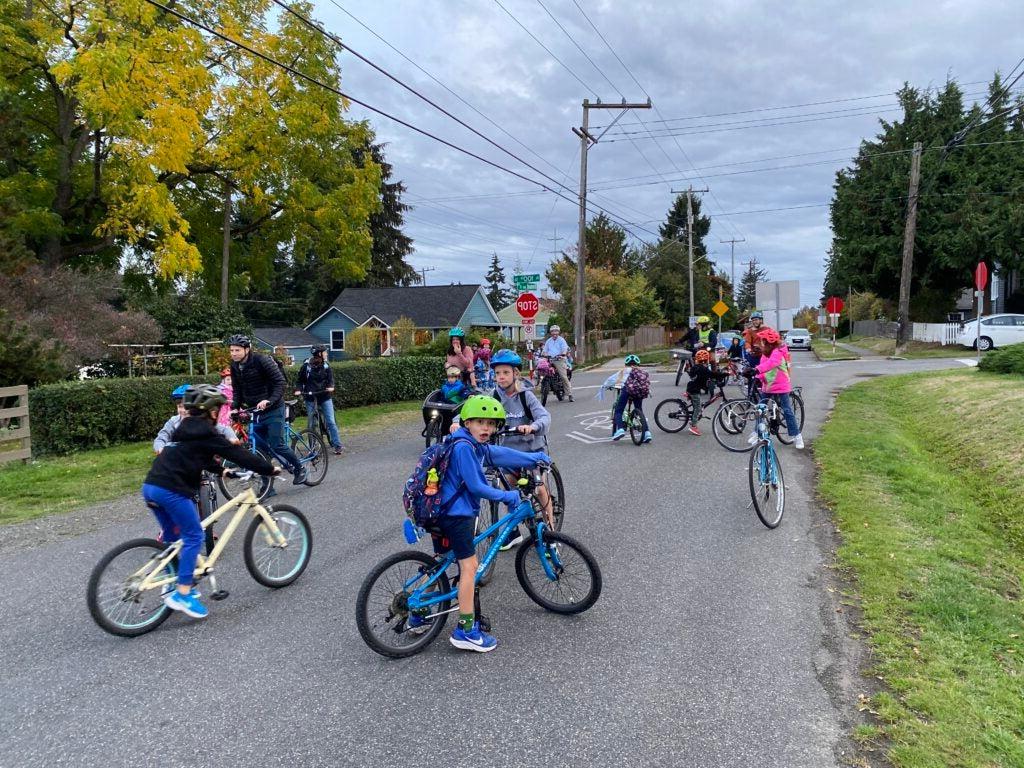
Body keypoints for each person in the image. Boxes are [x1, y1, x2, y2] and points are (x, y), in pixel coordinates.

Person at [415, 395, 550, 652]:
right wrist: (507, 495)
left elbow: (499, 454)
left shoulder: (473, 445)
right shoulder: (464, 448)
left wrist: (534, 458)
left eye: (490, 423)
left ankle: (417, 612)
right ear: (466, 422)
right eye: (479, 422)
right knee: (470, 567)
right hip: (456, 516)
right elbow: (477, 486)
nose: (486, 428)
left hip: (442, 512)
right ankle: (466, 631)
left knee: (441, 563)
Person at [143, 384, 279, 619]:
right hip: (172, 491)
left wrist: (221, 471)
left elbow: (196, 456)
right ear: (212, 412)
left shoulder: (185, 429)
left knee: (173, 538)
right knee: (195, 535)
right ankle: (182, 593)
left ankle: (170, 582)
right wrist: (269, 468)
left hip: (151, 488)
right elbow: (238, 455)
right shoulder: (207, 433)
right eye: (217, 409)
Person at [226, 334, 307, 484]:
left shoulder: (261, 360)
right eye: (231, 350)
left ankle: (300, 468)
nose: (233, 353)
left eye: (237, 350)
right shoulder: (234, 366)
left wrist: (269, 400)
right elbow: (237, 389)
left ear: (247, 349)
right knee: (259, 450)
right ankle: (267, 486)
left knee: (277, 444)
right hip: (254, 410)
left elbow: (280, 383)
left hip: (273, 408)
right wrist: (235, 407)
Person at [752, 328, 803, 449]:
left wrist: (757, 370)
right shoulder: (765, 353)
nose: (762, 343)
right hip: (768, 386)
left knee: (787, 410)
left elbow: (772, 364)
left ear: (769, 343)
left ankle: (797, 436)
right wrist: (756, 374)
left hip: (781, 385)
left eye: (763, 341)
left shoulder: (778, 352)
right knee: (761, 409)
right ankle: (757, 433)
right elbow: (763, 367)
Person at [155, 384, 237, 453]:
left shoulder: (201, 419)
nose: (184, 410)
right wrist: (160, 448)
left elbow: (223, 428)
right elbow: (161, 438)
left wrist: (232, 438)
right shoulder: (174, 421)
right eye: (180, 407)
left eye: (187, 407)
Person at [295, 344, 343, 456]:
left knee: (331, 421)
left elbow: (330, 380)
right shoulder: (306, 366)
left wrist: (331, 387)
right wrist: (298, 389)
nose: (326, 354)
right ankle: (312, 447)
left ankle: (337, 445)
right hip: (310, 397)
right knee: (312, 423)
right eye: (325, 352)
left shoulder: (326, 366)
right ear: (319, 354)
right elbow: (300, 381)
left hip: (324, 396)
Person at [610, 354, 652, 443]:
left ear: (626, 364)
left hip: (627, 391)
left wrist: (610, 386)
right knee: (639, 410)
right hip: (638, 392)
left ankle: (620, 429)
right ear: (638, 364)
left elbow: (615, 381)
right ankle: (647, 433)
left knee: (618, 410)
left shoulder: (623, 371)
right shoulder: (641, 372)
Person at [684, 349, 714, 437]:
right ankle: (693, 426)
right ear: (707, 360)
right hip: (694, 390)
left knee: (696, 406)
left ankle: (693, 419)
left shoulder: (696, 367)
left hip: (691, 388)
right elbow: (711, 374)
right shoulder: (703, 368)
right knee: (698, 407)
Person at [540, 325, 573, 402]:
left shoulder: (561, 340)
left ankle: (570, 394)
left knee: (563, 376)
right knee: (543, 369)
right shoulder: (548, 341)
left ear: (558, 332)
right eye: (553, 331)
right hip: (550, 359)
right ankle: (544, 385)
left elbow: (564, 349)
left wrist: (563, 354)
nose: (554, 333)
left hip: (559, 359)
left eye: (556, 331)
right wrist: (544, 354)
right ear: (551, 333)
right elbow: (545, 350)